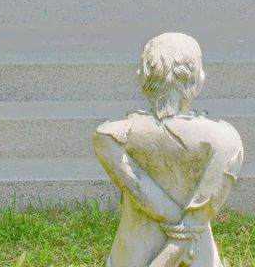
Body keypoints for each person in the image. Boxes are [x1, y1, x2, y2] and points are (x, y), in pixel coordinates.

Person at [93, 33, 244, 267]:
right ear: (199, 81)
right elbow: (204, 207)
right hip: (199, 258)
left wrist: (179, 230)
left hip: (132, 256)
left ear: (142, 78)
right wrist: (187, 229)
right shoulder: (225, 140)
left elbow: (140, 189)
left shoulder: (109, 138)